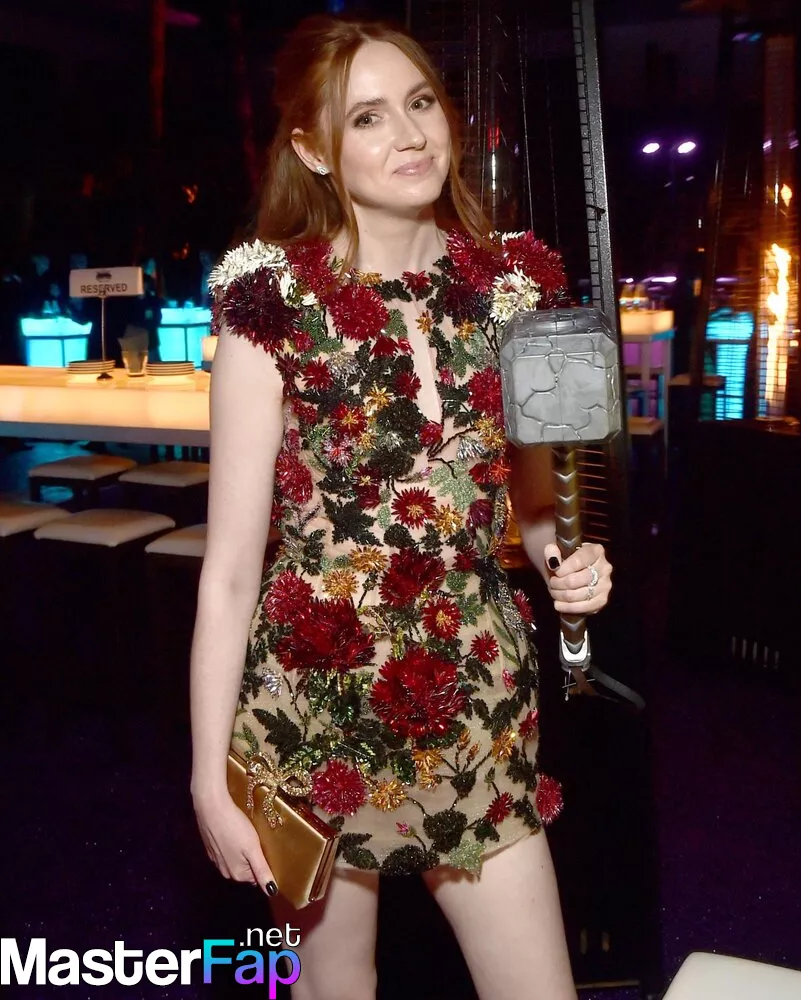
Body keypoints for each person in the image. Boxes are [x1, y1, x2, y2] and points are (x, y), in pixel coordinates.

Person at [190, 15, 613, 1000]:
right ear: (314, 150)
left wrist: (568, 565)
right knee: (333, 989)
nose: (411, 135)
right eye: (368, 117)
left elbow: (534, 507)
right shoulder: (270, 307)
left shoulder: (512, 288)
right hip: (312, 708)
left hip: (474, 701)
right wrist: (210, 776)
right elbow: (231, 573)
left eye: (420, 103)